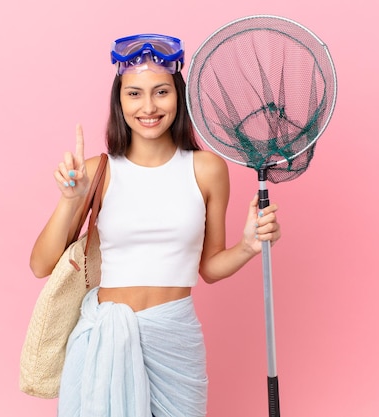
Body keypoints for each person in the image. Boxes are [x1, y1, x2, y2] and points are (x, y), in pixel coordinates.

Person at [29, 33, 281, 417]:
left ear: (178, 97)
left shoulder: (207, 169)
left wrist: (247, 246)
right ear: (119, 100)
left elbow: (209, 268)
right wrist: (70, 200)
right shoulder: (98, 172)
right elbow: (40, 265)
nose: (148, 106)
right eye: (134, 94)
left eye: (161, 92)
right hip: (103, 338)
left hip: (174, 338)